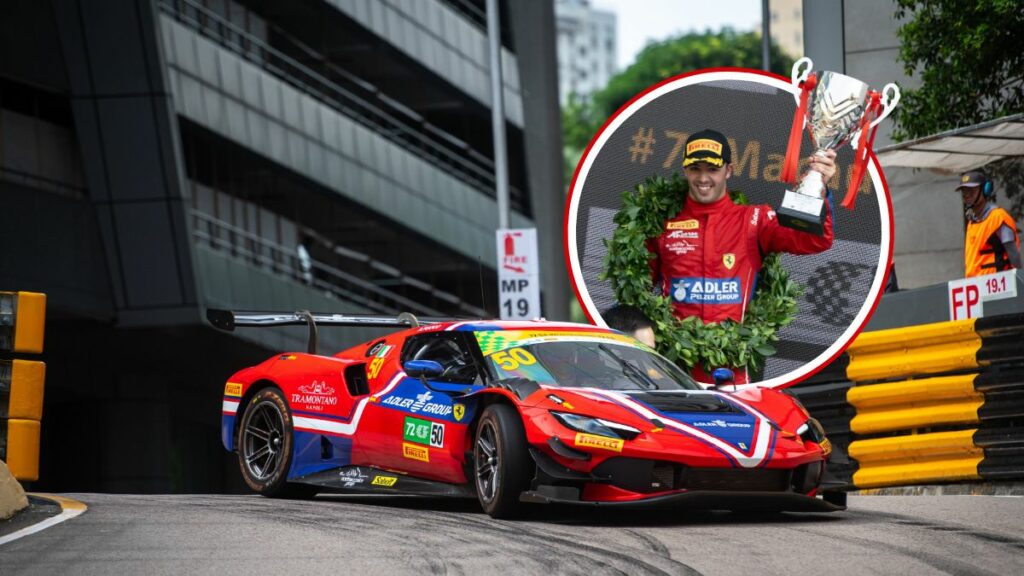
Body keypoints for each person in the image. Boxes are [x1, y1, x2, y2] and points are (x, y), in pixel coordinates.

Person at [647, 129, 836, 384]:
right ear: (685, 170)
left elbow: (814, 240)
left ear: (729, 170)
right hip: (673, 368)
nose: (703, 178)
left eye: (712, 169)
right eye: (696, 168)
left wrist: (818, 186)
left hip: (732, 371)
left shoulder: (753, 220)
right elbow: (639, 284)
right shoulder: (661, 224)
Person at [959, 169, 1021, 278]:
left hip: (997, 289)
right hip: (975, 287)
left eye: (971, 189)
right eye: (964, 190)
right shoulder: (972, 222)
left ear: (985, 190)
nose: (966, 194)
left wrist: (1020, 285)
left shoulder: (997, 217)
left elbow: (1014, 256)